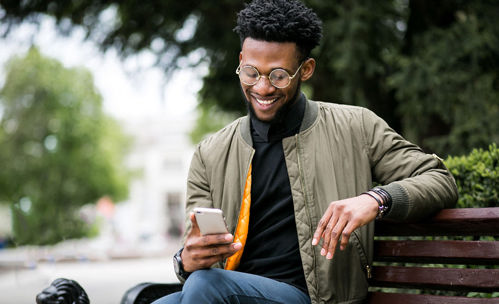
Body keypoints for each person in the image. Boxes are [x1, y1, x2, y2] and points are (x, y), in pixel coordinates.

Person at [155, 0, 458, 303]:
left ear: (306, 69)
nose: (262, 88)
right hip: (228, 290)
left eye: (278, 75)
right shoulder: (210, 153)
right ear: (240, 61)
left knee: (208, 287)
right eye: (251, 72)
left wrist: (375, 199)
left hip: (313, 298)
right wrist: (185, 260)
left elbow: (440, 180)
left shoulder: (357, 126)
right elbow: (193, 260)